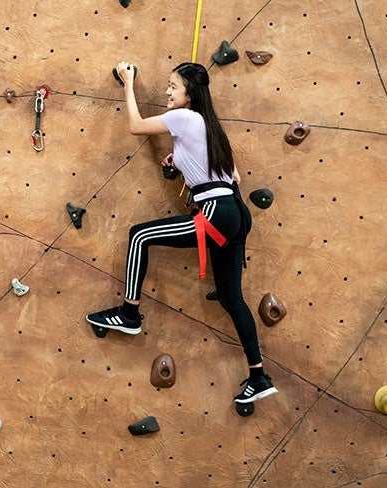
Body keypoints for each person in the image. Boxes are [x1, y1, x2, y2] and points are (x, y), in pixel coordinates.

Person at [86, 61, 277, 404]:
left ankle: (129, 313)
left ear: (190, 94)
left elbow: (136, 126)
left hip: (214, 212)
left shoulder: (185, 118)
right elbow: (233, 177)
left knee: (139, 235)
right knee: (232, 299)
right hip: (234, 212)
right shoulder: (210, 128)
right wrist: (181, 160)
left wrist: (128, 82)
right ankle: (258, 375)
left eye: (173, 86)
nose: (167, 91)